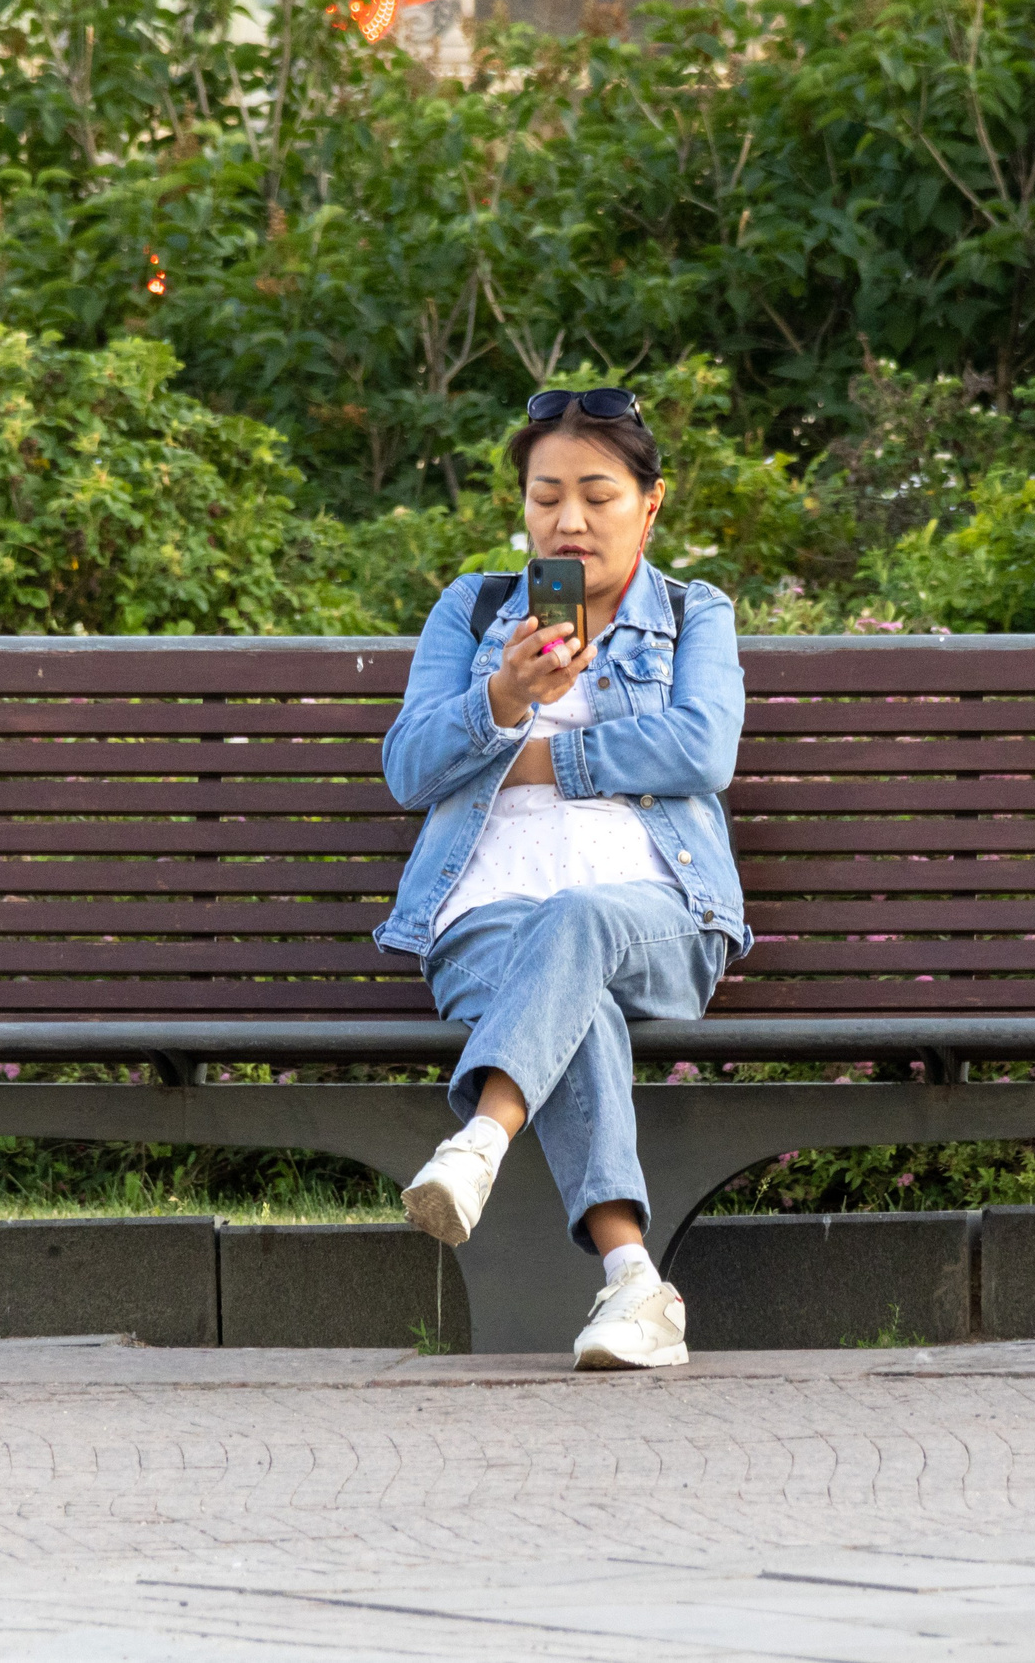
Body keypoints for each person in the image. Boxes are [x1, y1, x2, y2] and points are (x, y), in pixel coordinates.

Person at [374, 387, 749, 1370]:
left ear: (649, 503)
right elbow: (407, 767)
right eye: (546, 498)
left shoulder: (691, 613)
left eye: (596, 495)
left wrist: (539, 757)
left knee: (576, 920)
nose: (568, 520)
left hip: (660, 917)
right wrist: (501, 695)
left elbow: (703, 748)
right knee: (573, 992)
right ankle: (634, 1286)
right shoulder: (474, 610)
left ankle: (481, 1140)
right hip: (482, 918)